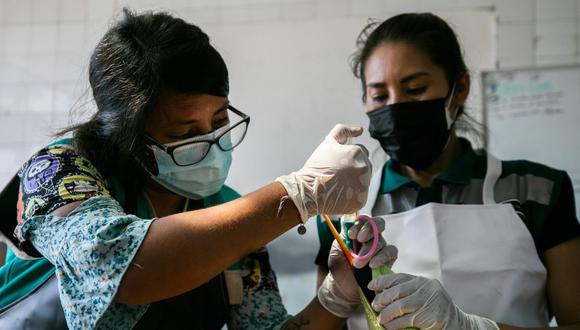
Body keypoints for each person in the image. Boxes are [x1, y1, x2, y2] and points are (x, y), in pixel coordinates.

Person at [0, 9, 398, 330]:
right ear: (129, 137)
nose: (211, 142)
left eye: (220, 121)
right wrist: (299, 194)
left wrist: (336, 294)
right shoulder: (58, 173)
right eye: (185, 132)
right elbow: (124, 269)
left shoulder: (230, 211)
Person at [316, 13, 580, 329]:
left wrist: (470, 327)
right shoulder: (343, 212)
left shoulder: (538, 190)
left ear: (461, 88)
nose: (397, 107)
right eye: (380, 96)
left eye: (414, 89)